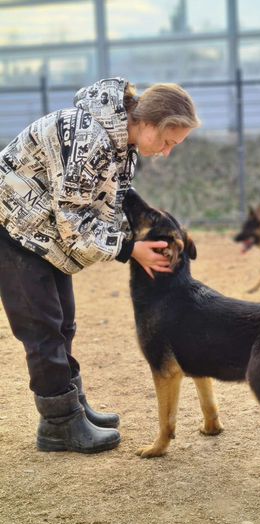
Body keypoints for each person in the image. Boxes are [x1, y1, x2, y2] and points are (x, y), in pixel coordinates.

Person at [0, 77, 200, 454]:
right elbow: (73, 225)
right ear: (152, 122)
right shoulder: (87, 139)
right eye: (168, 142)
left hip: (42, 231)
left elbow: (114, 200)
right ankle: (58, 425)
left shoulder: (122, 144)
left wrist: (141, 235)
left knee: (63, 322)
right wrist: (130, 250)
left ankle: (73, 408)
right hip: (13, 229)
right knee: (42, 330)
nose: (166, 152)